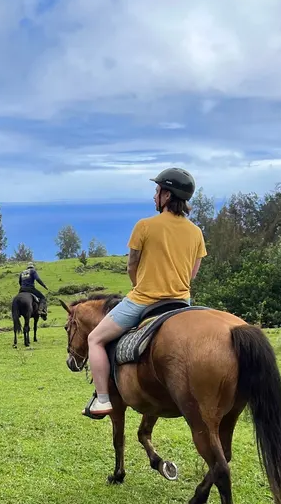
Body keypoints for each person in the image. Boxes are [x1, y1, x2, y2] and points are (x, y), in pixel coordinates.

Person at [83, 167, 207, 419]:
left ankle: (103, 399)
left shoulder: (144, 226)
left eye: (157, 190)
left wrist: (139, 282)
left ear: (167, 196)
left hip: (144, 299)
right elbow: (193, 273)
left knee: (95, 339)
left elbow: (132, 265)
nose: (154, 196)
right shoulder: (196, 232)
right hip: (182, 303)